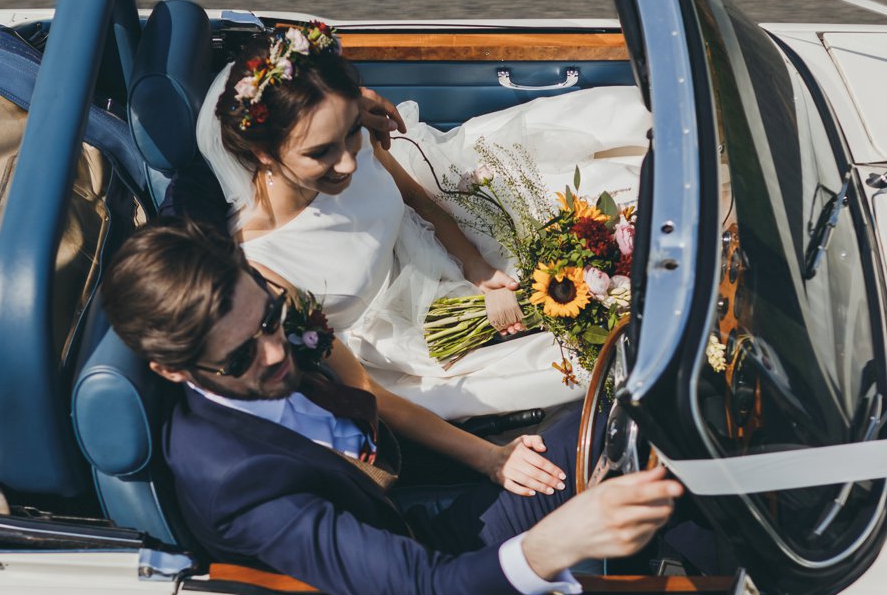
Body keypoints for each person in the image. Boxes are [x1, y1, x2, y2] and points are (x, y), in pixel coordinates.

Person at [101, 219, 683, 595]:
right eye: (237, 358)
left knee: (626, 423)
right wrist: (561, 540)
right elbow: (433, 590)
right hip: (422, 553)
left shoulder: (268, 330)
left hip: (413, 482)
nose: (276, 353)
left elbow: (361, 391)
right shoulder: (238, 484)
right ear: (172, 372)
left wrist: (489, 454)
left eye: (270, 321)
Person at [193, 22, 651, 420]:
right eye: (320, 153)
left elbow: (413, 194)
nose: (348, 164)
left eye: (350, 132)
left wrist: (476, 268)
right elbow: (339, 380)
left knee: (607, 185)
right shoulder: (261, 267)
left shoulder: (348, 143)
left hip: (443, 231)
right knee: (586, 348)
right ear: (264, 155)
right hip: (405, 342)